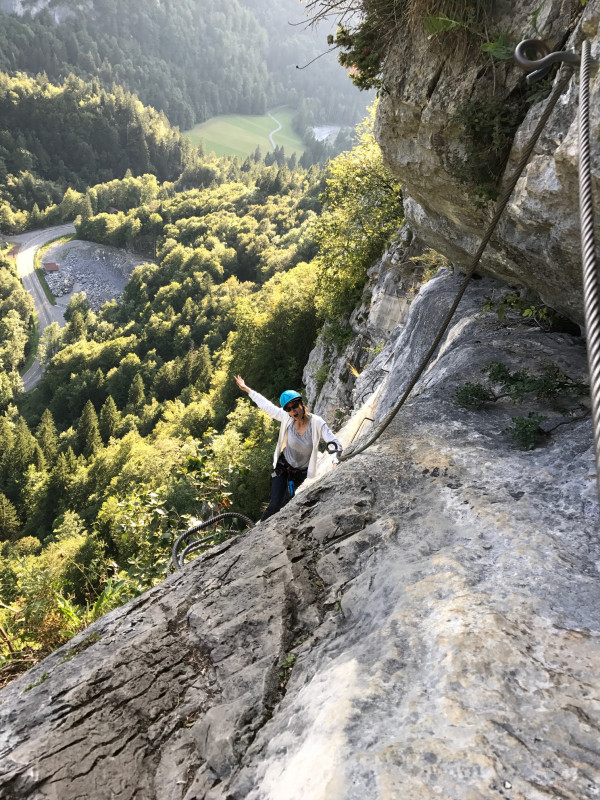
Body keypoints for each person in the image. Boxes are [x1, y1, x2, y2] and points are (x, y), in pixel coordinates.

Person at [235, 375, 342, 521]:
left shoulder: (316, 422)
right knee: (274, 505)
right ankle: (256, 531)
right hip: (282, 467)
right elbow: (267, 406)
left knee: (286, 504)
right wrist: (247, 389)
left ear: (301, 403)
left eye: (295, 406)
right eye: (289, 409)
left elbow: (332, 440)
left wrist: (335, 458)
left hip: (300, 473)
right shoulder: (287, 418)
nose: (293, 411)